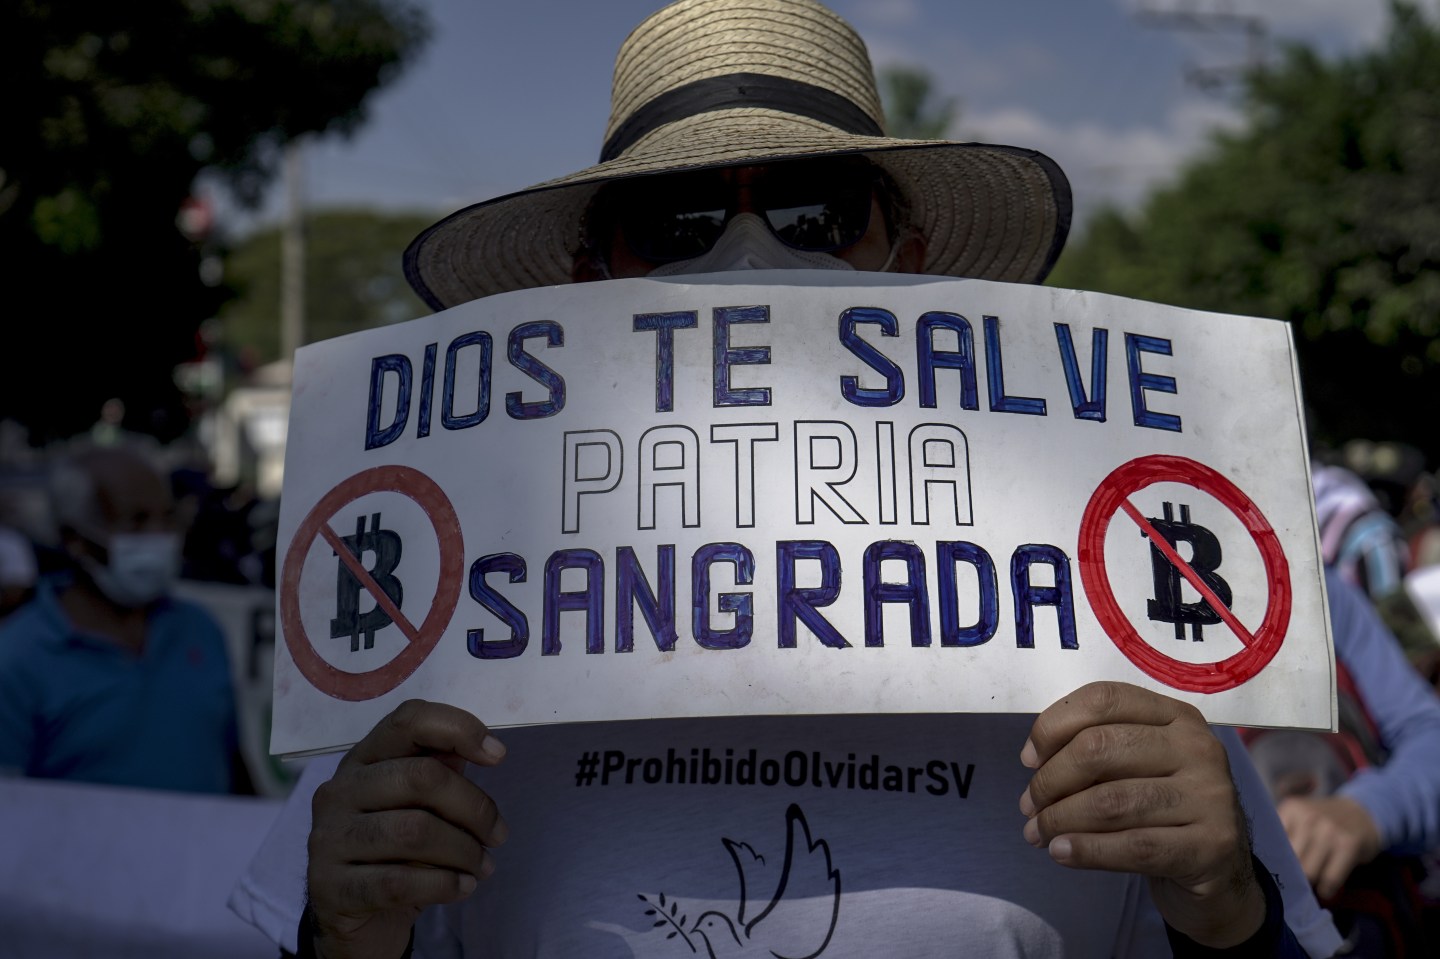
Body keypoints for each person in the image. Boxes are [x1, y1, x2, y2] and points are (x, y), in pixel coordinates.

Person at [232, 1, 1342, 955]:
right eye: (677, 219)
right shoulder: (451, 645)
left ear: (906, 259)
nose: (749, 256)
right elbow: (337, 925)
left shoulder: (1102, 635)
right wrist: (347, 934)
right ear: (587, 276)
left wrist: (1227, 907)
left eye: (816, 209)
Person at [0, 445, 247, 794]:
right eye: (137, 521)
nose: (160, 536)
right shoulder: (17, 660)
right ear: (75, 541)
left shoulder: (200, 629)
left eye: (167, 517)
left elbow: (234, 764)